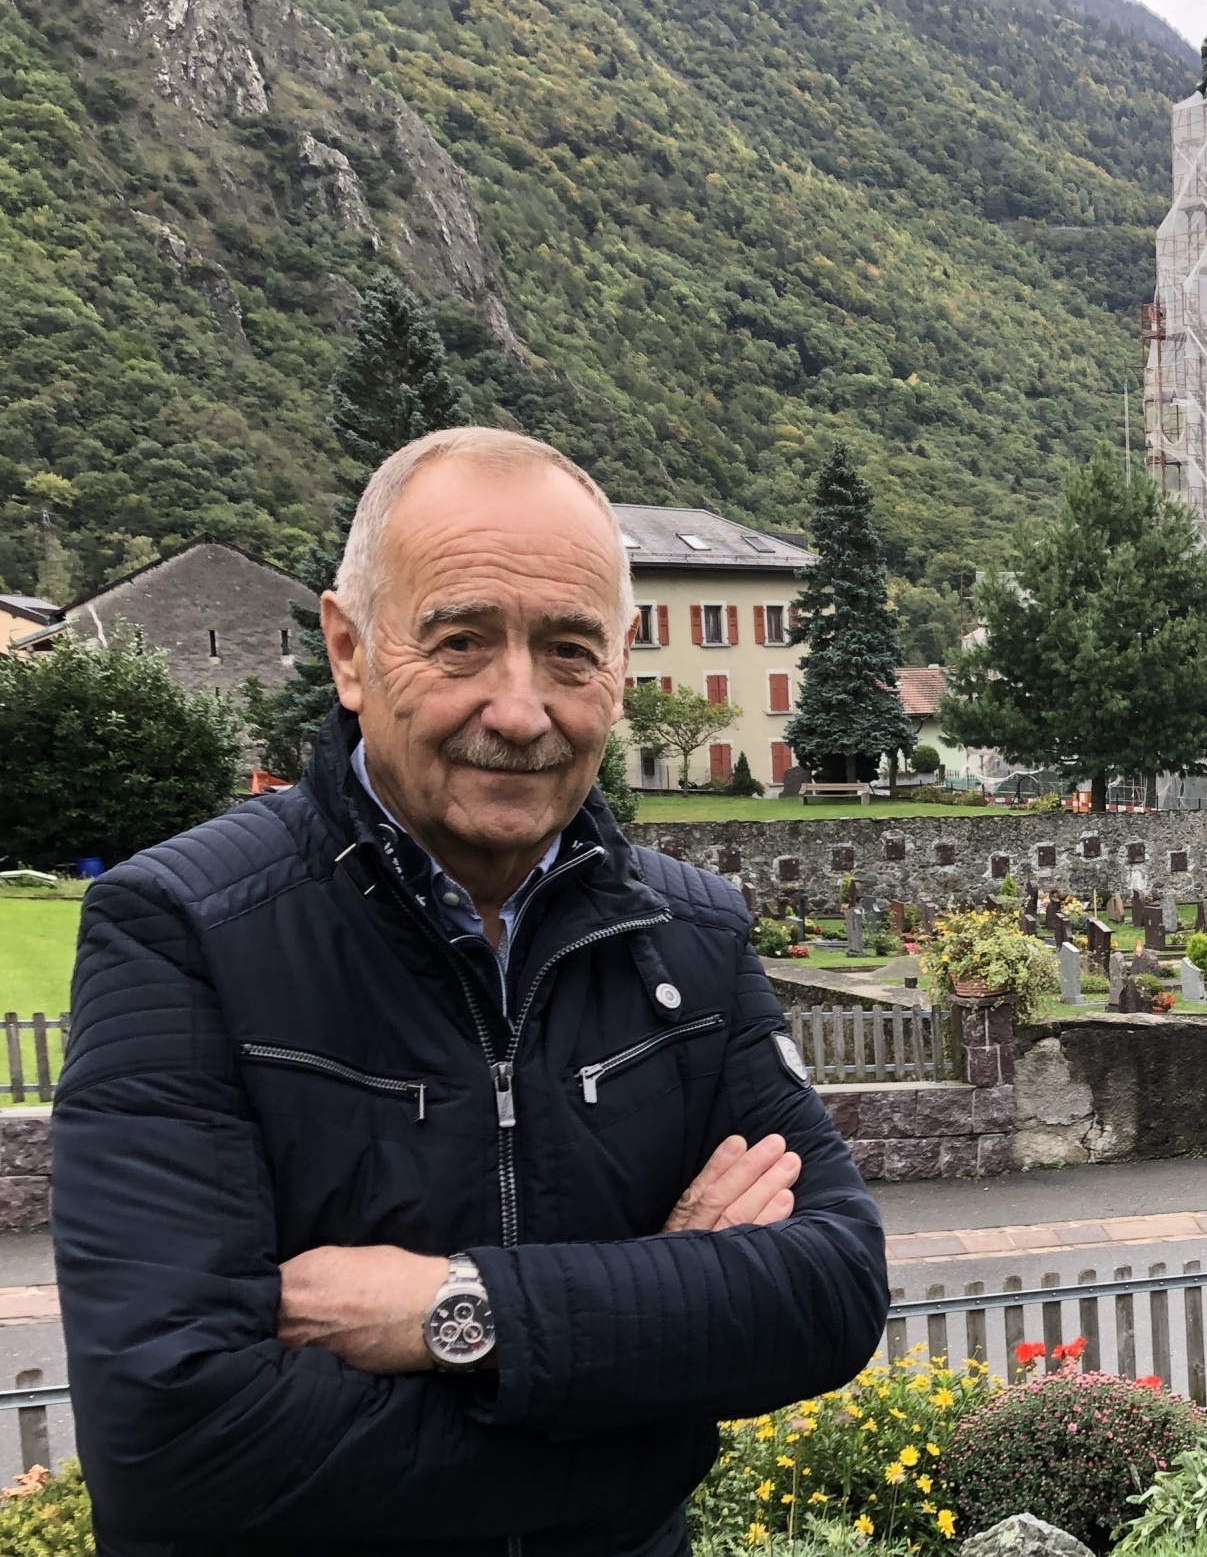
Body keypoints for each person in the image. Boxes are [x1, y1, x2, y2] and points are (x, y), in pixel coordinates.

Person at [52, 428, 891, 1556]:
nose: (519, 708)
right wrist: (654, 1412)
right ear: (349, 652)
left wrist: (457, 1311)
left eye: (568, 651)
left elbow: (831, 1289)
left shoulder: (689, 938)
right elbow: (177, 1441)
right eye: (459, 643)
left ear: (621, 665)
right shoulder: (186, 933)